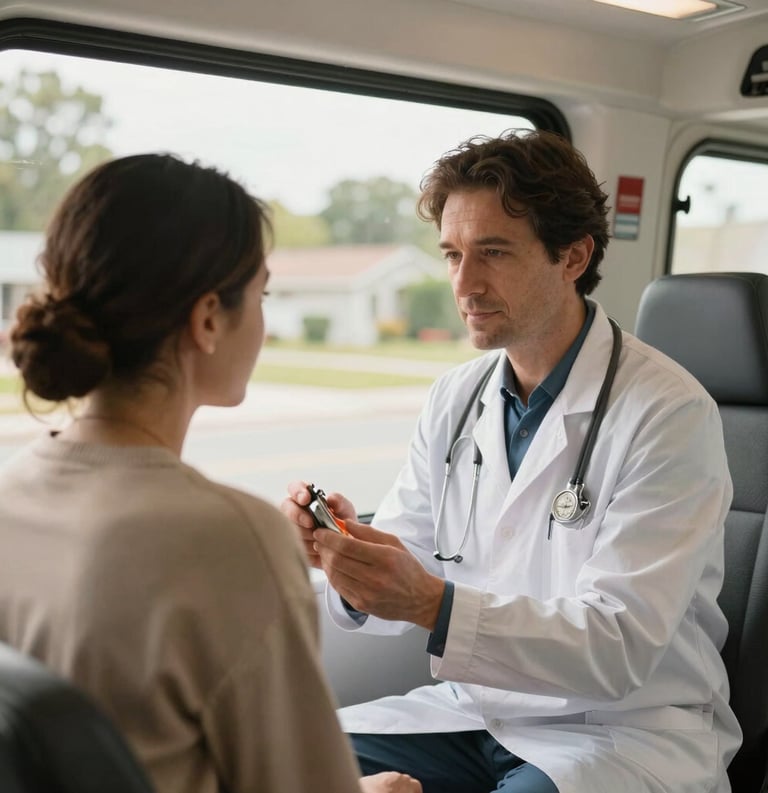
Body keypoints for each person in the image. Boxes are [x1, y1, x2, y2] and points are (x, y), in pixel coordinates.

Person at [282, 130, 742, 793]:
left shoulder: (668, 412)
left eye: (493, 253)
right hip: (478, 709)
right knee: (282, 757)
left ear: (573, 256)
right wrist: (345, 552)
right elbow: (411, 558)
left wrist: (433, 604)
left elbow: (619, 645)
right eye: (451, 255)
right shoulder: (455, 397)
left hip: (621, 727)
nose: (464, 284)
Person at [0, 154, 421, 793]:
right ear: (206, 320)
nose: (264, 321)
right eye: (262, 295)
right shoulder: (231, 538)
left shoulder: (12, 492)